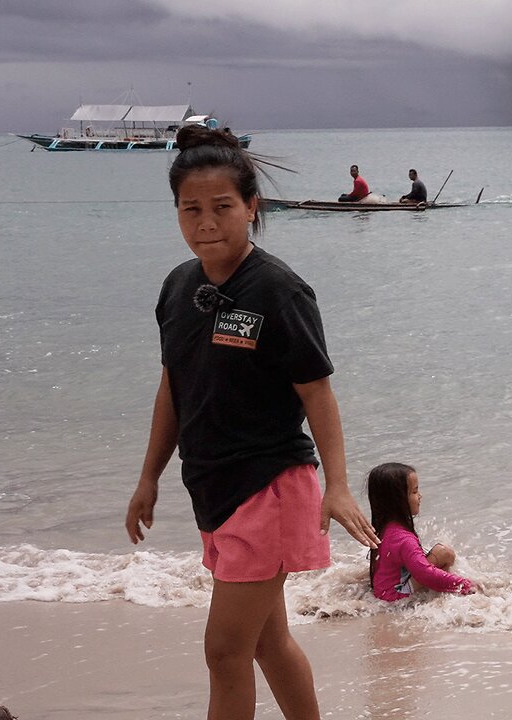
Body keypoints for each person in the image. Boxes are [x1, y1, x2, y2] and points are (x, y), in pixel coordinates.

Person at [124, 124, 379, 719]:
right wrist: (148, 477)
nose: (206, 221)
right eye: (191, 209)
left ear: (251, 208)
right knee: (266, 640)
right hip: (213, 486)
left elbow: (317, 393)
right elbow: (173, 386)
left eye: (222, 207)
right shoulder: (179, 287)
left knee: (223, 650)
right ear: (177, 212)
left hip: (269, 487)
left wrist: (337, 485)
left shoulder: (279, 290)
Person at [366, 462, 480, 601]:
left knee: (438, 555)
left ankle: (441, 587)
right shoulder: (403, 539)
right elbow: (425, 574)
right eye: (414, 492)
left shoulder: (386, 528)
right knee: (444, 554)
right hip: (394, 596)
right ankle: (443, 594)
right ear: (397, 500)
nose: (420, 496)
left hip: (383, 591)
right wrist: (466, 586)